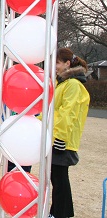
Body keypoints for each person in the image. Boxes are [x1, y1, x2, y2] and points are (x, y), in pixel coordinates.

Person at [49, 48, 90, 218]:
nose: (55, 66)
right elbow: (52, 110)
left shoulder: (72, 85)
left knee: (59, 179)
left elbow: (68, 114)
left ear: (67, 64)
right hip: (56, 137)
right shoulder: (63, 83)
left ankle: (60, 213)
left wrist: (60, 138)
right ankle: (57, 212)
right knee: (56, 179)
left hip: (62, 140)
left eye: (57, 62)